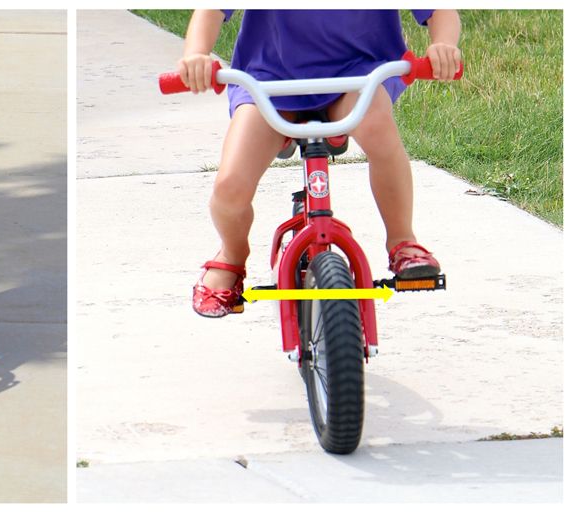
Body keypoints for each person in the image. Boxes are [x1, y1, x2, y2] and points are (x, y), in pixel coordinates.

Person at [178, 10, 462, 318]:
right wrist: (196, 54)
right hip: (271, 77)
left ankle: (402, 240)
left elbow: (439, 10)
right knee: (230, 186)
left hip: (358, 72)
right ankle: (232, 254)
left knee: (377, 129)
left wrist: (443, 43)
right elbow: (210, 11)